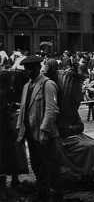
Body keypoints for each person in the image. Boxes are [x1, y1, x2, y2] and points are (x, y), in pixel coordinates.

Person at [16, 55, 61, 201]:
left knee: (50, 165)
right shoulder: (26, 86)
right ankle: (42, 194)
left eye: (31, 68)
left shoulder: (48, 84)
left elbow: (51, 109)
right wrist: (19, 128)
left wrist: (45, 131)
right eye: (26, 69)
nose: (29, 72)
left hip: (44, 134)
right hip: (30, 133)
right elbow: (23, 109)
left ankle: (56, 195)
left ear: (38, 67)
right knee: (36, 165)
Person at [0, 70, 28, 190]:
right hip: (5, 128)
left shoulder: (5, 91)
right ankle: (10, 183)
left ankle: (7, 183)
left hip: (5, 127)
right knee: (11, 154)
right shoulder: (2, 93)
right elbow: (3, 113)